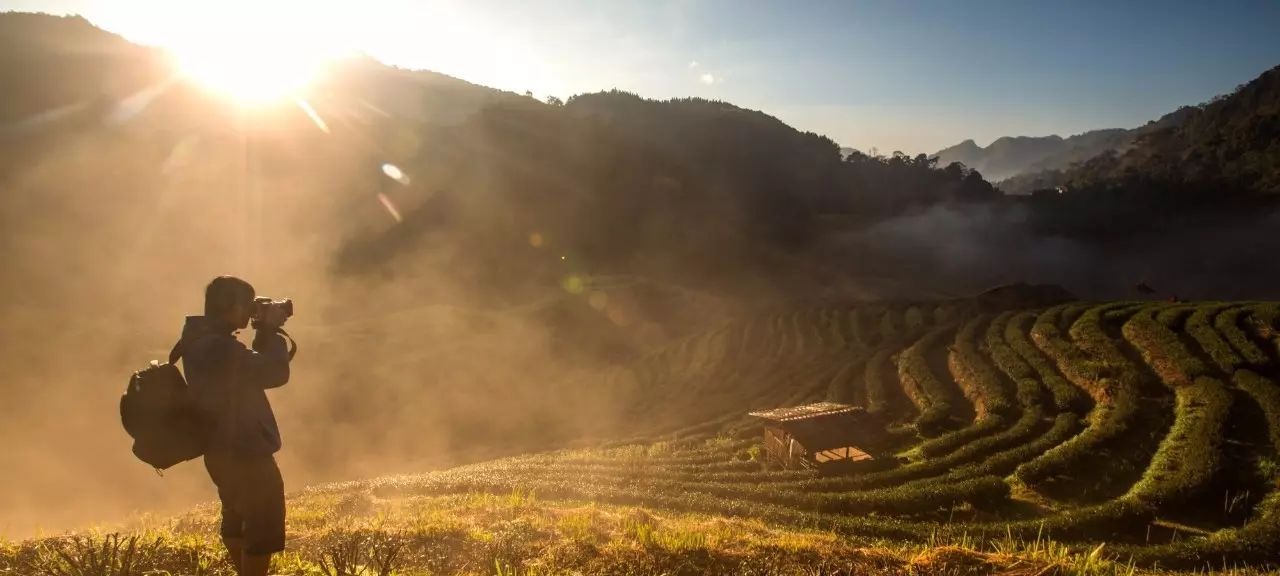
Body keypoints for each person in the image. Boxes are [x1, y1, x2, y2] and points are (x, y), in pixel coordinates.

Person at [181, 276, 293, 576]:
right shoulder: (218, 348)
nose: (249, 314)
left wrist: (264, 332)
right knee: (263, 522)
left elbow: (251, 370)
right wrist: (270, 331)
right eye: (247, 306)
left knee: (237, 516)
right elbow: (273, 372)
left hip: (220, 448)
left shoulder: (199, 341)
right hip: (245, 448)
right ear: (230, 307)